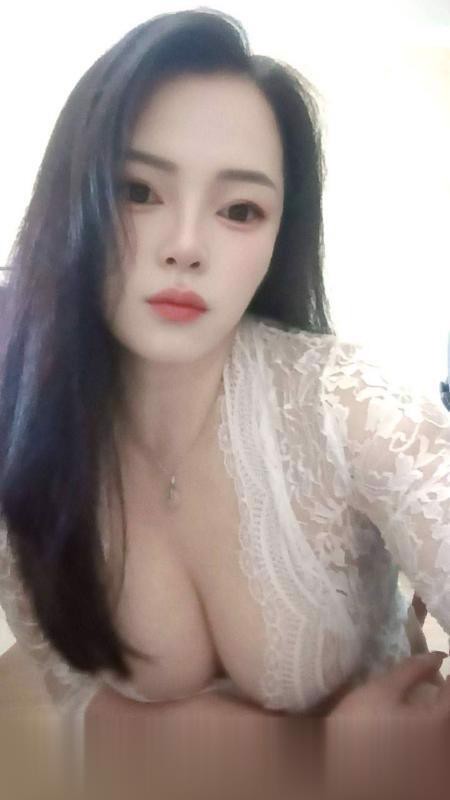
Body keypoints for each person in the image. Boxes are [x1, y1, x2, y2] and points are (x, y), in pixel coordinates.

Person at [0, 7, 449, 738]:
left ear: (279, 236)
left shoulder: (350, 410)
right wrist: (333, 763)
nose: (185, 246)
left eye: (240, 209)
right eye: (138, 191)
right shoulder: (23, 425)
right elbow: (84, 720)